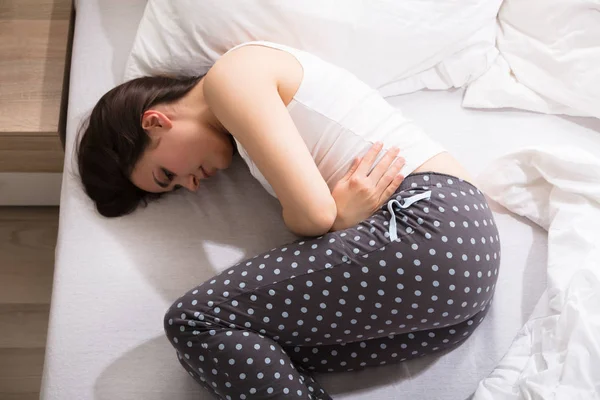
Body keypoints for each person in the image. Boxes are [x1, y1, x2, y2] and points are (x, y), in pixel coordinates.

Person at [77, 41, 501, 400]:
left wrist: (334, 222)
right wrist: (335, 218)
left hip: (429, 223)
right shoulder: (246, 128)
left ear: (155, 122)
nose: (189, 186)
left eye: (166, 174)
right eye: (172, 189)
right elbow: (319, 210)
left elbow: (315, 213)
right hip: (453, 285)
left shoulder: (233, 75)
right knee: (237, 350)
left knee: (194, 321)